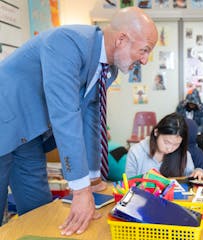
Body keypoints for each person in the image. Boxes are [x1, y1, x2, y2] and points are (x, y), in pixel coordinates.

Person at [0, 7, 158, 236]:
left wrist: (93, 177)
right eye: (144, 50)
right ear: (122, 39)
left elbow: (91, 119)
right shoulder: (66, 43)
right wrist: (80, 190)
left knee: (39, 212)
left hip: (28, 135)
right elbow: (65, 114)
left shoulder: (108, 69)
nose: (145, 60)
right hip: (4, 121)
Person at [125, 112, 203, 179]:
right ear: (156, 132)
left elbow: (190, 177)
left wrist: (198, 171)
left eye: (176, 144)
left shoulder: (183, 153)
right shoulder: (135, 152)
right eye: (166, 142)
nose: (170, 148)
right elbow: (130, 184)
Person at [176, 88, 203, 153]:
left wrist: (196, 131)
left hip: (198, 131)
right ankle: (181, 158)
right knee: (178, 139)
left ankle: (202, 156)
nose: (191, 105)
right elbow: (177, 118)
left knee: (201, 140)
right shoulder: (181, 106)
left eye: (193, 103)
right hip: (184, 129)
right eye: (190, 103)